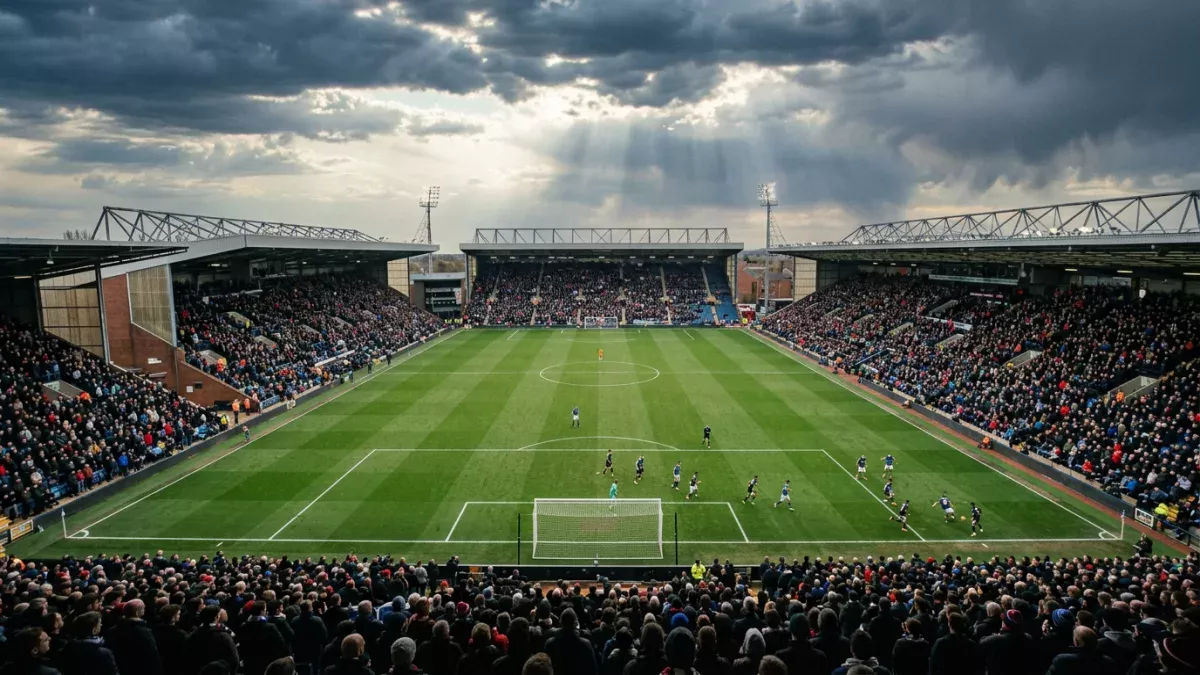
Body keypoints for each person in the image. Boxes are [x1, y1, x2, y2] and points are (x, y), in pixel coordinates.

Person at [543, 609, 596, 675]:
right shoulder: (586, 644)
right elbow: (593, 669)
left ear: (561, 622)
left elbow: (545, 668)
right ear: (576, 623)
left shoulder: (550, 643)